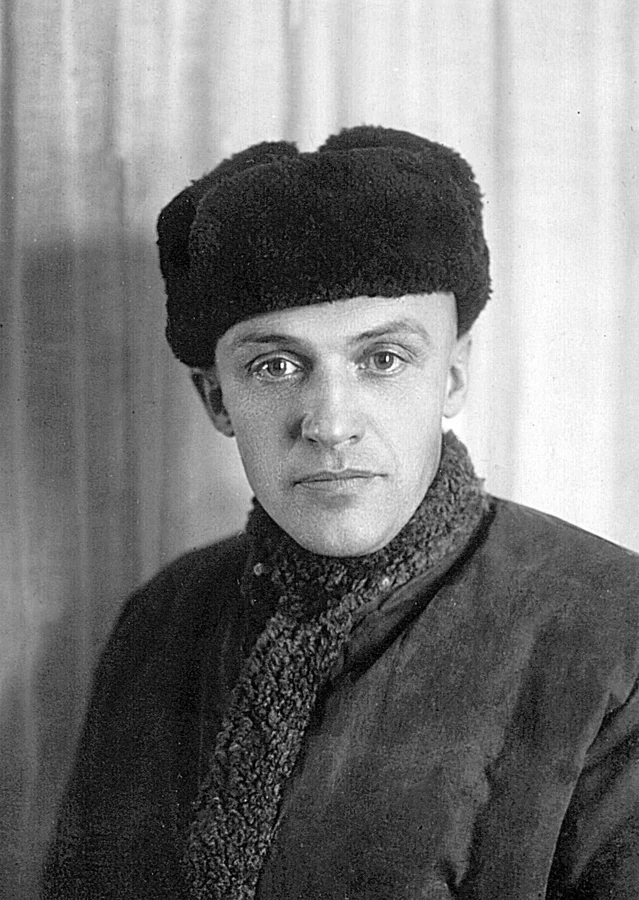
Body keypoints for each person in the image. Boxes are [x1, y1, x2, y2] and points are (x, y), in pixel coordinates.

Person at [42, 126, 639, 900]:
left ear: (451, 377)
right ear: (217, 399)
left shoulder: (616, 632)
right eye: (275, 365)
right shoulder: (162, 619)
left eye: (381, 359)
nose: (329, 423)